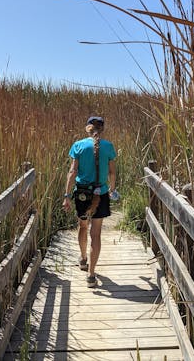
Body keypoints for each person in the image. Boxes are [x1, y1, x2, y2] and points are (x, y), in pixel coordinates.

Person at [62, 116, 117, 288]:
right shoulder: (108, 147)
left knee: (83, 226)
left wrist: (66, 195)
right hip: (100, 192)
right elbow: (112, 173)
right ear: (102, 129)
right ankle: (91, 275)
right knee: (96, 233)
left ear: (88, 128)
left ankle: (83, 259)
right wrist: (112, 189)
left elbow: (72, 172)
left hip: (82, 194)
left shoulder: (78, 145)